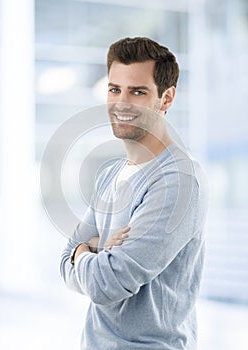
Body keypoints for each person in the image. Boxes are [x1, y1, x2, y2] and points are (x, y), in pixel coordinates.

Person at [60, 37, 208, 350]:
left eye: (138, 92)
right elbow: (64, 262)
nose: (122, 103)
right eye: (115, 89)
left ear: (166, 98)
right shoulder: (109, 175)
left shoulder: (177, 181)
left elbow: (105, 285)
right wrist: (90, 251)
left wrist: (83, 251)